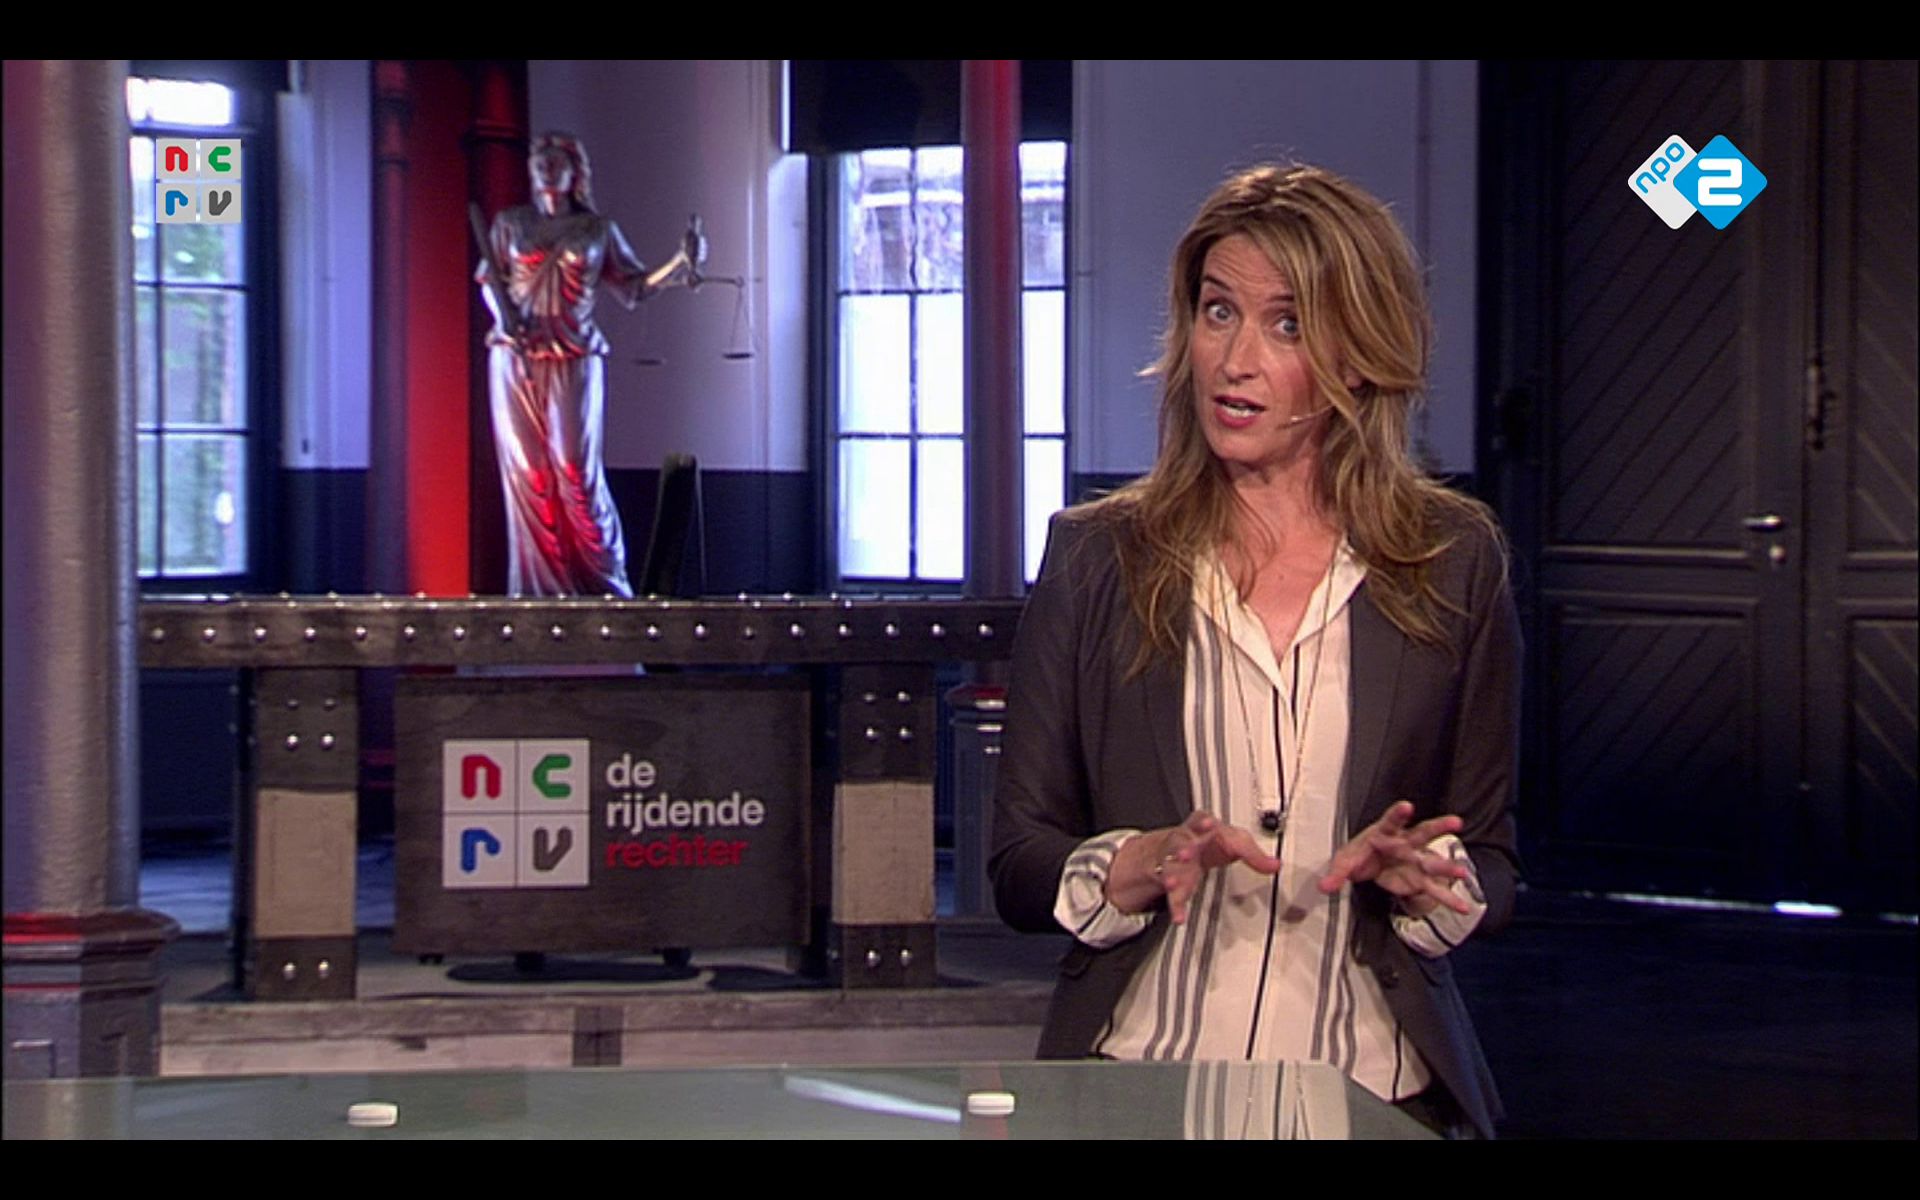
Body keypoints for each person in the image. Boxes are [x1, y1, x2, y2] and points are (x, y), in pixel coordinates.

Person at [990, 164, 1520, 1139]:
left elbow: (1490, 857)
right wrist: (1137, 862)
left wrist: (1429, 880)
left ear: (1357, 357)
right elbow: (1020, 863)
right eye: (1218, 311)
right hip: (1140, 1092)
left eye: (1286, 325)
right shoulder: (1097, 558)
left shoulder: (1452, 561)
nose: (1234, 360)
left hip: (1372, 1095)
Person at [476, 132, 703, 597]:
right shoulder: (510, 224)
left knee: (574, 469)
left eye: (557, 161)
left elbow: (634, 287)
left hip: (574, 354)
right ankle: (540, 592)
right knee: (529, 473)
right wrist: (505, 320)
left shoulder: (597, 230)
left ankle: (604, 582)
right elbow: (489, 280)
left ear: (575, 172)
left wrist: (680, 261)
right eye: (540, 160)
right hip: (515, 355)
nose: (547, 168)